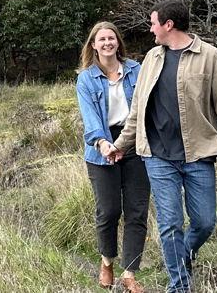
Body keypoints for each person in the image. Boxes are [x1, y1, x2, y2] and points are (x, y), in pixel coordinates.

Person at [108, 0, 217, 293]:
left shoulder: (210, 56)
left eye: (153, 23)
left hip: (199, 153)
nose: (151, 29)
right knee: (170, 223)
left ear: (168, 25)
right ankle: (179, 286)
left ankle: (182, 256)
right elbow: (137, 110)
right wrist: (121, 144)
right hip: (157, 156)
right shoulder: (152, 58)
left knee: (205, 222)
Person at [74, 21, 148, 292]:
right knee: (109, 211)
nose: (107, 43)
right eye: (102, 39)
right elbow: (90, 117)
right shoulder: (86, 79)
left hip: (135, 144)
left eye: (111, 38)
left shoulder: (136, 70)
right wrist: (103, 143)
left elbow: (146, 105)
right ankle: (107, 261)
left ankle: (130, 273)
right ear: (93, 45)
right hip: (101, 146)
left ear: (118, 42)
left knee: (137, 210)